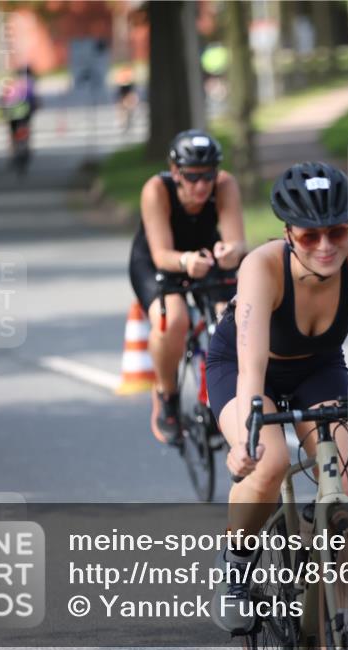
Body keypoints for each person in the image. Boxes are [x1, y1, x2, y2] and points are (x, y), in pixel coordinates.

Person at [205, 161, 348, 634]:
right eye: (310, 236)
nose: (326, 246)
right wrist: (243, 443)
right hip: (246, 368)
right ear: (288, 232)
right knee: (269, 464)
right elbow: (251, 367)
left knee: (347, 480)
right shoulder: (262, 266)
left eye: (337, 232)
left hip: (318, 368)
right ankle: (235, 565)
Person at [128, 129, 246, 444]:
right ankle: (167, 395)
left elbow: (237, 241)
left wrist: (229, 251)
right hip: (160, 262)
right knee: (174, 320)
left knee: (231, 321)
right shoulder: (157, 189)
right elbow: (161, 254)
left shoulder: (225, 185)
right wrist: (185, 263)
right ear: (176, 171)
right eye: (192, 177)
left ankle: (226, 396)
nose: (201, 185)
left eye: (208, 176)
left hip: (207, 257)